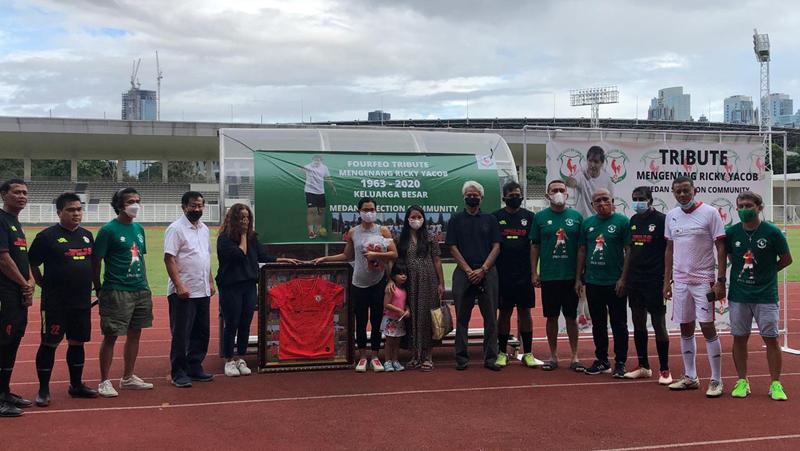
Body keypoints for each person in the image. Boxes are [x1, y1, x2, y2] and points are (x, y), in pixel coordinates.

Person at [28, 192, 98, 407]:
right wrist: (40, 283)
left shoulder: (87, 235)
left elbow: (94, 264)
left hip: (81, 301)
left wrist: (98, 287)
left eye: (79, 209)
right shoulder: (46, 237)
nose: (76, 213)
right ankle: (43, 389)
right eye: (71, 210)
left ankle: (76, 385)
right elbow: (31, 263)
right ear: (59, 212)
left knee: (77, 342)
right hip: (56, 303)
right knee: (50, 343)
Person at [312, 197, 397, 372]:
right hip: (359, 282)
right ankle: (363, 356)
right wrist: (325, 258)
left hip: (378, 282)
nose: (369, 212)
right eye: (365, 210)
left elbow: (394, 254)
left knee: (376, 319)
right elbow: (347, 256)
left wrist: (376, 255)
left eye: (372, 209)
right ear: (359, 212)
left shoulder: (383, 231)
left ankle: (375, 356)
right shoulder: (353, 232)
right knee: (360, 320)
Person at [216, 203, 300, 377]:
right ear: (234, 219)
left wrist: (281, 260)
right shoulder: (224, 238)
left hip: (249, 285)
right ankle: (228, 360)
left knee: (246, 323)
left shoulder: (253, 238)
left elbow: (263, 256)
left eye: (247, 217)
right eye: (242, 218)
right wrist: (244, 236)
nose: (245, 221)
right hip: (230, 286)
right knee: (231, 323)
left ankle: (241, 357)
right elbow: (240, 255)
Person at [663, 176, 727, 397]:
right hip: (680, 282)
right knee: (685, 327)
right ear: (673, 193)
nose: (682, 195)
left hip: (704, 281)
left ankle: (716, 380)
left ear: (694, 190)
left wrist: (720, 280)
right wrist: (666, 281)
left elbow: (720, 246)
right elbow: (669, 250)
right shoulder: (671, 216)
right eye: (678, 192)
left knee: (708, 328)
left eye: (685, 191)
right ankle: (690, 377)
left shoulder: (710, 213)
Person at [726, 191, 792, 400]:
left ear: (759, 207)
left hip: (766, 295)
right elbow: (730, 257)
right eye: (741, 206)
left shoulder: (772, 232)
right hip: (739, 295)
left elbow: (786, 259)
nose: (744, 209)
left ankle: (775, 383)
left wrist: (768, 273)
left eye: (749, 205)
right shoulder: (731, 233)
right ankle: (742, 381)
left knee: (771, 339)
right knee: (739, 339)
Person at [93, 188, 154, 397]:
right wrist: (98, 287)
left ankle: (128, 377)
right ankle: (104, 381)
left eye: (138, 200)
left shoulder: (139, 228)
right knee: (111, 336)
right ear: (120, 205)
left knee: (135, 333)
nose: (135, 204)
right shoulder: (108, 230)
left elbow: (139, 257)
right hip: (117, 290)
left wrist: (145, 284)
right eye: (130, 201)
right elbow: (96, 261)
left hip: (140, 289)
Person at [446, 181, 501, 371]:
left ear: (481, 197)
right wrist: (469, 271)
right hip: (464, 273)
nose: (472, 197)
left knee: (491, 318)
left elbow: (496, 246)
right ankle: (461, 358)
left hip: (487, 272)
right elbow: (452, 247)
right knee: (462, 317)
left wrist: (484, 269)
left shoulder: (490, 219)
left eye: (475, 194)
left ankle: (490, 358)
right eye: (469, 194)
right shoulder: (455, 219)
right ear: (464, 197)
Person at [575, 188, 631, 377]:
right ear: (592, 205)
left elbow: (629, 251)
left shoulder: (622, 222)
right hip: (593, 282)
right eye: (597, 201)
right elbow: (582, 250)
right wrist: (578, 277)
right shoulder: (588, 224)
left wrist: (624, 278)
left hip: (615, 282)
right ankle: (602, 360)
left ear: (612, 200)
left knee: (619, 324)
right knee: (598, 323)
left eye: (605, 199)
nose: (601, 203)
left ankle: (621, 362)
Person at [531, 180, 584, 371]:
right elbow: (535, 246)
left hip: (570, 277)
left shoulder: (577, 217)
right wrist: (534, 272)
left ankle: (575, 356)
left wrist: (579, 277)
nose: (559, 193)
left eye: (562, 190)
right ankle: (553, 357)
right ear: (547, 195)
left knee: (571, 317)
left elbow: (581, 249)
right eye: (555, 190)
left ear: (567, 194)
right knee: (551, 317)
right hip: (549, 276)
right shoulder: (540, 218)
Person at [164, 191, 215, 388]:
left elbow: (205, 257)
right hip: (184, 291)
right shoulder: (176, 229)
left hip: (202, 288)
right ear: (184, 207)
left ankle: (195, 366)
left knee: (201, 332)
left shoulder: (204, 229)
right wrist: (179, 285)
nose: (197, 209)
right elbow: (169, 258)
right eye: (193, 205)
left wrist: (210, 282)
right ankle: (178, 372)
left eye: (200, 205)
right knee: (181, 333)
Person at [623, 186, 672, 384]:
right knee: (637, 320)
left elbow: (669, 250)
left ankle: (665, 370)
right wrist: (625, 278)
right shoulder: (633, 221)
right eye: (635, 199)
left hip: (655, 279)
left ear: (651, 200)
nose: (638, 202)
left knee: (659, 323)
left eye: (641, 199)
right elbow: (630, 251)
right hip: (636, 279)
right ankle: (643, 366)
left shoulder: (662, 220)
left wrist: (666, 278)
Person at [492, 181, 543, 368]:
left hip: (524, 274)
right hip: (502, 274)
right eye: (512, 195)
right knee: (504, 313)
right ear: (504, 197)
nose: (516, 198)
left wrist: (533, 272)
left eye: (518, 195)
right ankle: (502, 352)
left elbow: (534, 246)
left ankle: (528, 352)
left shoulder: (530, 217)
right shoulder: (495, 217)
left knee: (525, 312)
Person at [395, 205, 444, 371]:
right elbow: (398, 262)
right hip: (409, 282)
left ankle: (428, 356)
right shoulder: (401, 239)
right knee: (412, 317)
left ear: (423, 219)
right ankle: (415, 355)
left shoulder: (430, 237)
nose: (416, 220)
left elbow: (437, 260)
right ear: (407, 219)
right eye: (412, 217)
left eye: (419, 217)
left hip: (428, 281)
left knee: (427, 316)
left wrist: (441, 283)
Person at [0, 179, 34, 417]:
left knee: (13, 343)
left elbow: (22, 258)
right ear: (4, 195)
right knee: (3, 343)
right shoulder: (1, 220)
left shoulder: (15, 223)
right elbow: (3, 259)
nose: (22, 196)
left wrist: (30, 282)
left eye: (25, 192)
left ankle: (5, 391)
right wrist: (24, 285)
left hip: (19, 293)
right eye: (17, 192)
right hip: (6, 294)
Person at [565, 145, 615, 218]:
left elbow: (610, 200)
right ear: (587, 160)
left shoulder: (606, 178)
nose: (592, 165)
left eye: (596, 162)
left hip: (601, 219)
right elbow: (571, 183)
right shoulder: (581, 174)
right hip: (583, 220)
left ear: (602, 163)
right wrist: (569, 180)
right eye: (590, 161)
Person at [381, 263, 410, 372]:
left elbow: (405, 303)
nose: (403, 276)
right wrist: (399, 311)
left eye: (405, 274)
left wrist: (407, 310)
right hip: (390, 319)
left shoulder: (404, 289)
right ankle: (387, 361)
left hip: (399, 320)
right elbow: (386, 304)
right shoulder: (391, 288)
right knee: (389, 341)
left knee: (397, 341)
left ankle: (395, 360)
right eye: (400, 274)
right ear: (393, 276)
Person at [302, 155, 335, 239]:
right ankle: (311, 232)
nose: (317, 161)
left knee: (321, 211)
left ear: (321, 160)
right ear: (312, 160)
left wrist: (332, 187)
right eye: (315, 159)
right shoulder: (307, 167)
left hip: (320, 192)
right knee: (312, 211)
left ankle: (318, 230)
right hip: (310, 191)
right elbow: (299, 170)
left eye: (318, 159)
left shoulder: (324, 168)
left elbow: (328, 178)